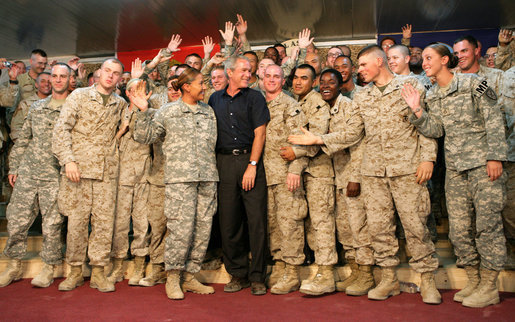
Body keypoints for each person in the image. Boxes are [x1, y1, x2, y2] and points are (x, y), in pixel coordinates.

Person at [289, 45, 440, 305]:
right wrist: (318, 138)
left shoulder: (411, 84)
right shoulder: (362, 97)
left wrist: (428, 157)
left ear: (379, 62)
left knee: (416, 226)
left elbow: (430, 127)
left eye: (362, 65)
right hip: (374, 173)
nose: (358, 71)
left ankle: (427, 279)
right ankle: (388, 278)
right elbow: (352, 133)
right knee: (380, 229)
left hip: (407, 170)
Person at [402, 43, 508, 308]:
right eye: (423, 59)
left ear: (445, 60)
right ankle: (473, 279)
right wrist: (417, 110)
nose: (424, 63)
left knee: (487, 226)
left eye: (429, 58)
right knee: (460, 230)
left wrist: (495, 156)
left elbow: (494, 116)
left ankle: (489, 286)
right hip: (456, 169)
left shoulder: (474, 83)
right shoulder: (434, 94)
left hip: (484, 165)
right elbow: (435, 129)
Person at [132, 68, 218, 300]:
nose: (205, 86)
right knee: (180, 230)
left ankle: (190, 276)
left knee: (202, 229)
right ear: (187, 86)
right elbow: (145, 136)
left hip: (207, 178)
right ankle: (173, 277)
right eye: (201, 83)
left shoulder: (208, 111)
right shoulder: (167, 111)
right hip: (180, 180)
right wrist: (142, 111)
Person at [52, 58, 127, 293]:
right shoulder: (79, 96)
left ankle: (98, 272)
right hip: (79, 171)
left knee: (104, 224)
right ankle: (74, 271)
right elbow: (61, 129)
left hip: (107, 172)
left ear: (119, 79)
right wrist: (68, 160)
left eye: (115, 73)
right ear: (99, 72)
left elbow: (120, 136)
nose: (110, 76)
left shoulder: (120, 103)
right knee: (76, 223)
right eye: (107, 71)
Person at [0, 63, 71, 288]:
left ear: (70, 80)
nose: (57, 80)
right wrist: (14, 167)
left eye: (62, 77)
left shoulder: (73, 107)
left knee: (52, 224)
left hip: (56, 175)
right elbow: (24, 139)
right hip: (29, 172)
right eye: (54, 77)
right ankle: (13, 265)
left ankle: (48, 268)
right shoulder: (37, 106)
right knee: (17, 220)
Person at [208, 55, 269, 295]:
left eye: (250, 70)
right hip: (223, 163)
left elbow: (260, 134)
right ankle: (237, 274)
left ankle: (257, 277)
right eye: (243, 70)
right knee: (229, 221)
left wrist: (252, 165)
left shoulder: (255, 98)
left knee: (256, 222)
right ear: (229, 73)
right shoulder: (214, 99)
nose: (248, 74)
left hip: (249, 160)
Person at [317, 69, 374, 296]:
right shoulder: (324, 110)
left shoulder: (349, 107)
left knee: (359, 227)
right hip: (336, 178)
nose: (326, 86)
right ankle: (355, 271)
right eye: (322, 82)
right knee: (345, 228)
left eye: (331, 82)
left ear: (341, 85)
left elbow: (357, 141)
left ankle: (367, 273)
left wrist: (355, 178)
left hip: (351, 177)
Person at [262, 64, 311, 295]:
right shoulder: (259, 104)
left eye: (277, 76)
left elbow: (302, 142)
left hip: (285, 175)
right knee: (273, 224)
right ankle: (280, 265)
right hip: (266, 176)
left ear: (283, 81)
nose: (272, 80)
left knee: (290, 223)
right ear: (261, 79)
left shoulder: (290, 105)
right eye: (268, 76)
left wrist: (296, 169)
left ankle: (292, 272)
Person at [287, 64, 336, 295]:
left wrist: (296, 157)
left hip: (318, 173)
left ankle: (326, 274)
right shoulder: (297, 102)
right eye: (295, 78)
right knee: (305, 223)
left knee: (321, 224)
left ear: (313, 81)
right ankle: (315, 271)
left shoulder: (317, 103)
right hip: (304, 173)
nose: (298, 82)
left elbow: (314, 143)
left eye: (304, 78)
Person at [108, 78, 152, 286]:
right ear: (127, 92)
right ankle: (117, 265)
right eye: (133, 90)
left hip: (144, 175)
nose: (137, 93)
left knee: (142, 223)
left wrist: (144, 111)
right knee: (120, 224)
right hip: (121, 177)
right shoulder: (117, 112)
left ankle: (139, 264)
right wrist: (121, 130)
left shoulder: (150, 112)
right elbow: (105, 144)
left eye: (141, 90)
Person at [10, 72, 51, 143]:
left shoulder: (60, 103)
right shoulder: (26, 104)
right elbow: (16, 129)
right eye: (42, 81)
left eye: (49, 82)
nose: (46, 84)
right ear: (36, 84)